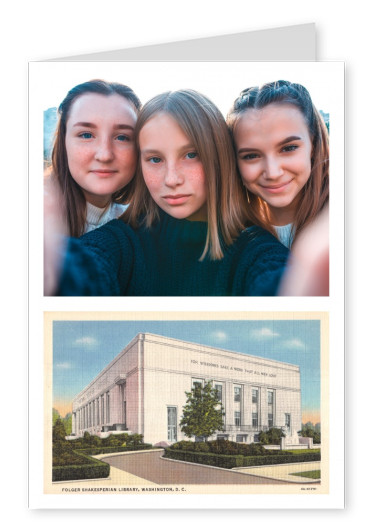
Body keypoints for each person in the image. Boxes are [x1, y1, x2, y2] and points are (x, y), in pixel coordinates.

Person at [47, 89, 289, 296]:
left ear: (218, 157)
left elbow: (281, 284)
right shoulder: (122, 241)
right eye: (155, 159)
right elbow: (85, 267)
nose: (171, 179)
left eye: (191, 155)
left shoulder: (257, 252)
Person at [227, 80, 329, 249]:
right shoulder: (232, 237)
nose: (273, 172)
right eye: (251, 155)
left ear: (314, 145)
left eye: (288, 148)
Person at [47, 79, 141, 237]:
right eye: (86, 135)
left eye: (122, 137)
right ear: (64, 142)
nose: (104, 155)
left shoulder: (139, 227)